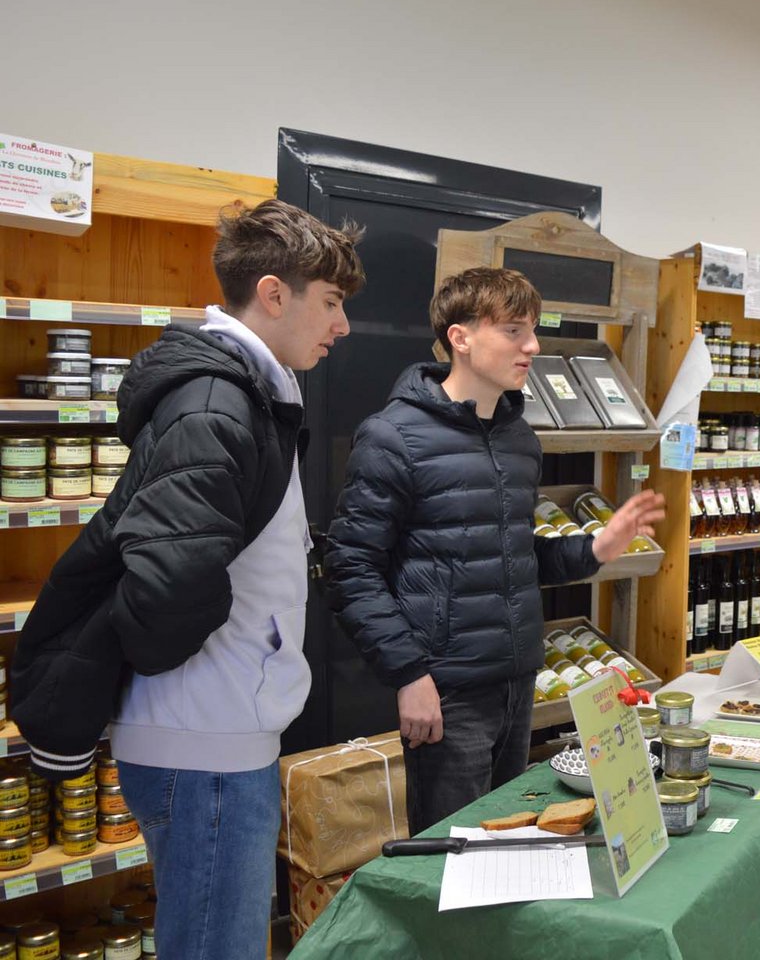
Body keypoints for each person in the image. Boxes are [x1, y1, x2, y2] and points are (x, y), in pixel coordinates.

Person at [11, 200, 364, 960]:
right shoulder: (216, 404)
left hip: (220, 729)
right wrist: (231, 650)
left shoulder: (246, 393)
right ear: (274, 294)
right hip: (204, 741)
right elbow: (169, 583)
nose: (342, 326)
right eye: (332, 303)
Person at [324, 266, 665, 834]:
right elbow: (350, 568)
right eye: (513, 331)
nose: (532, 346)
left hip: (518, 681)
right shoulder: (392, 436)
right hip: (447, 693)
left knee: (507, 842)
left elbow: (514, 557)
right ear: (460, 337)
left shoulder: (518, 439)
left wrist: (597, 548)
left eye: (532, 330)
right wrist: (409, 676)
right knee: (451, 853)